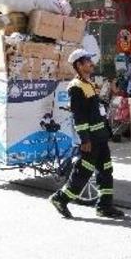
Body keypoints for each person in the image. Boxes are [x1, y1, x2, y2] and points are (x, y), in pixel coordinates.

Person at [49, 48, 124, 219]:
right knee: (83, 172)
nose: (92, 63)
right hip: (90, 139)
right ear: (79, 65)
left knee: (106, 170)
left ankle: (105, 206)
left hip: (101, 137)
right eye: (88, 61)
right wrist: (85, 139)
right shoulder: (75, 88)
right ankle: (60, 198)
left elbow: (96, 109)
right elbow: (79, 116)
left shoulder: (89, 83)